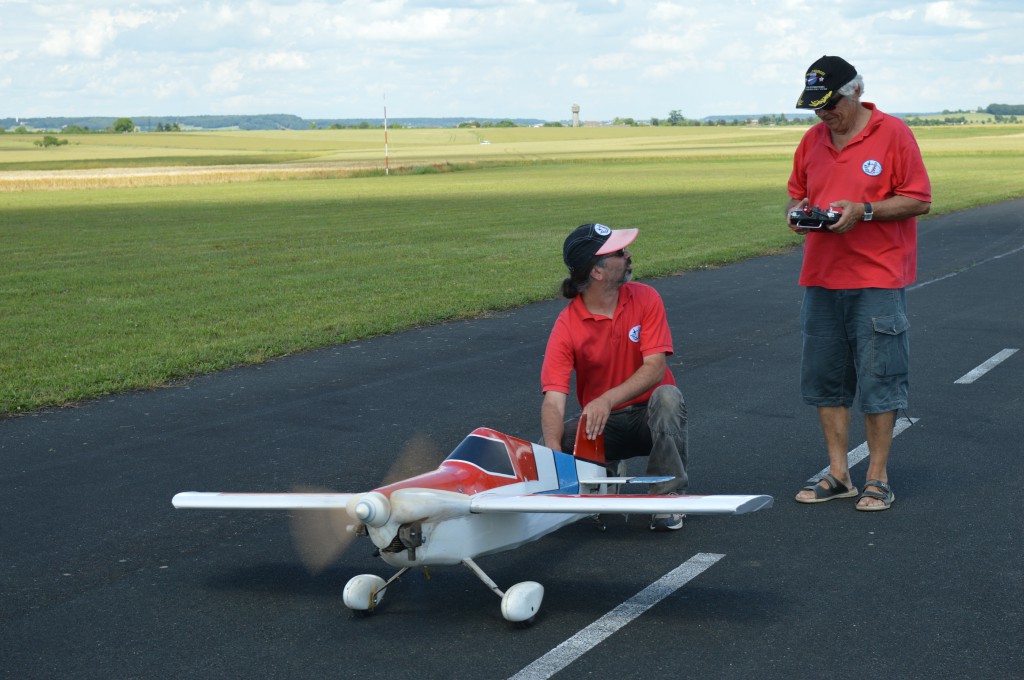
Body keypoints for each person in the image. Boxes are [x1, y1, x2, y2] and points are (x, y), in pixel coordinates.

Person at [787, 55, 932, 511]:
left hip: (877, 277)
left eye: (829, 104)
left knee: (879, 377)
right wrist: (798, 214)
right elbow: (797, 193)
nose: (823, 114)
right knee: (826, 380)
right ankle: (838, 474)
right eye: (815, 107)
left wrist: (864, 210)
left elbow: (918, 198)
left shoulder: (893, 133)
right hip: (821, 277)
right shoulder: (811, 140)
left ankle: (877, 476)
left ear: (854, 92)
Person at [540, 223, 688, 531]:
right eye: (619, 252)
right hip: (603, 426)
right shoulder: (567, 325)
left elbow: (655, 368)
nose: (629, 254)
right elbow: (554, 399)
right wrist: (554, 459)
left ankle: (665, 497)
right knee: (549, 440)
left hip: (649, 416)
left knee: (668, 397)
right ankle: (604, 474)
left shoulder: (646, 298)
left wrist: (605, 399)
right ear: (597, 271)